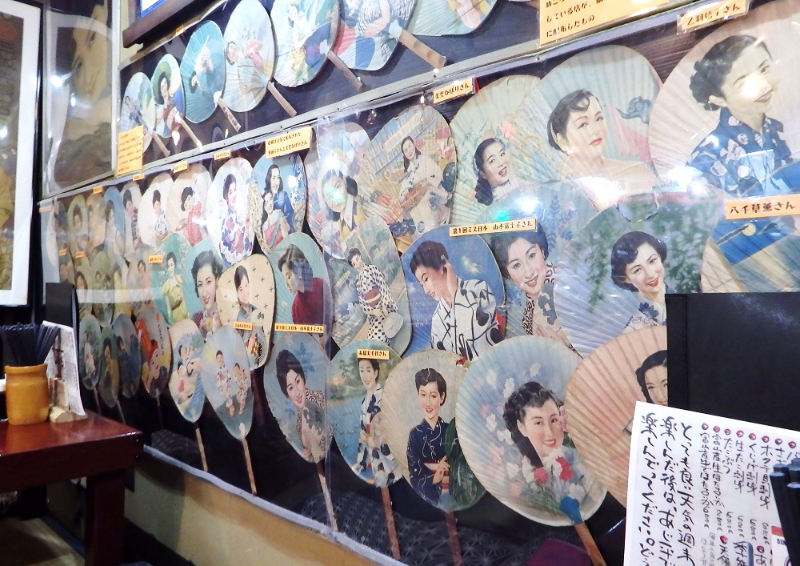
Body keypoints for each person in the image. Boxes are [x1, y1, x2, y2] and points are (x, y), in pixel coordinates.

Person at [688, 35, 794, 197]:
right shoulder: (707, 158)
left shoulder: (774, 129)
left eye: (764, 69)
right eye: (743, 84)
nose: (764, 86)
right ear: (719, 99)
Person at [547, 89, 659, 210]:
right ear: (563, 142)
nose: (596, 129)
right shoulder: (559, 193)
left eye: (599, 118)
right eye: (583, 124)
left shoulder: (638, 171)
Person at [410, 240, 502, 360]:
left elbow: (479, 340)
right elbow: (441, 360)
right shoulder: (437, 319)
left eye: (426, 279)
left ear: (441, 267)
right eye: (421, 284)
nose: (426, 290)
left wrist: (455, 293)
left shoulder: (479, 289)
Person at [490, 226, 572, 347]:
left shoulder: (568, 285)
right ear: (508, 274)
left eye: (532, 255)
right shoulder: (527, 318)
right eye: (516, 265)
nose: (528, 272)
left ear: (542, 251)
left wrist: (567, 352)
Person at [503, 381, 589, 491]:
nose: (549, 432)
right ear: (522, 427)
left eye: (554, 420)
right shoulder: (529, 482)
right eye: (538, 423)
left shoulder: (583, 460)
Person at [610, 231, 669, 333]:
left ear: (659, 256)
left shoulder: (689, 296)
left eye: (652, 261)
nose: (650, 274)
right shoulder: (634, 330)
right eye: (637, 270)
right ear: (625, 278)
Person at [407, 368, 450, 505]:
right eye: (423, 395)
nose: (428, 402)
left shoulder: (451, 431)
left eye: (433, 396)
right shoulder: (415, 435)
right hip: (426, 498)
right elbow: (414, 477)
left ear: (442, 397)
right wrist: (435, 477)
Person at [352, 358, 398, 486]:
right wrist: (361, 463)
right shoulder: (364, 403)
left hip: (390, 458)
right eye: (362, 371)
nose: (365, 376)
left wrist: (378, 439)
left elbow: (394, 429)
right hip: (375, 460)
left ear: (376, 372)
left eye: (368, 370)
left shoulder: (385, 397)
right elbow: (364, 435)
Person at [276, 349, 327, 461]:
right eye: (290, 388)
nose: (297, 393)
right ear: (286, 394)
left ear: (303, 379)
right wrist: (308, 453)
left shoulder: (321, 399)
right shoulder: (298, 426)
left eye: (298, 381)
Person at [348, 248, 399, 344]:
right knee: (370, 338)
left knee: (380, 336)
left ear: (360, 256)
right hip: (375, 314)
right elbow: (362, 303)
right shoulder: (358, 282)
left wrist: (384, 306)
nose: (358, 264)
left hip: (385, 307)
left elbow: (383, 287)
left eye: (357, 259)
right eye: (354, 264)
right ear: (353, 267)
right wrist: (372, 311)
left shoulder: (372, 269)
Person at [278, 245, 329, 327]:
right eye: (285, 278)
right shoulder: (295, 310)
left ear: (299, 271)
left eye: (288, 277)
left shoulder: (320, 284)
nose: (286, 284)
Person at [319, 169, 364, 243]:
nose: (336, 197)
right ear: (326, 201)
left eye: (337, 187)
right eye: (330, 196)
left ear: (344, 181)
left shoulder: (362, 202)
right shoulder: (341, 225)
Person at [233, 265, 265, 361]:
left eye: (246, 285)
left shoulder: (256, 310)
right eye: (240, 289)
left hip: (261, 355)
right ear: (237, 292)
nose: (245, 292)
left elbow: (262, 336)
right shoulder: (239, 318)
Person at [219, 174, 251, 264]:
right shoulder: (227, 220)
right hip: (237, 261)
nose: (234, 195)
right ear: (226, 196)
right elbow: (224, 250)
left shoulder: (240, 211)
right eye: (230, 192)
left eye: (235, 190)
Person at [191, 250, 224, 337]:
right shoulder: (196, 320)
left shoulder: (228, 311)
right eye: (200, 284)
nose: (204, 293)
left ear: (217, 280)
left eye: (208, 282)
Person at [473, 138, 513, 206]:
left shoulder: (522, 184)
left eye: (502, 154)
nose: (501, 162)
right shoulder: (492, 206)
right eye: (492, 161)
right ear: (483, 173)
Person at [154, 69, 184, 139]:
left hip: (183, 124)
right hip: (175, 132)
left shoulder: (174, 96)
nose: (164, 88)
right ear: (160, 91)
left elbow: (178, 82)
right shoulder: (162, 111)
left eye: (165, 84)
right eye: (162, 87)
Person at [162, 252, 188, 323]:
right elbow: (168, 306)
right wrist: (170, 319)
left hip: (184, 309)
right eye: (168, 266)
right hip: (176, 315)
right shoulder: (166, 286)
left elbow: (185, 296)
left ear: (175, 265)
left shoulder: (179, 278)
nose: (170, 269)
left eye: (171, 265)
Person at [214, 350, 235, 416]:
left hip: (227, 383)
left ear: (223, 358)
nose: (220, 359)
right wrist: (221, 386)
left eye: (221, 357)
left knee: (228, 394)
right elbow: (217, 380)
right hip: (222, 386)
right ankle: (230, 406)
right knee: (226, 394)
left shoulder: (226, 367)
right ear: (216, 360)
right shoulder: (217, 370)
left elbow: (229, 375)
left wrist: (229, 381)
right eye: (218, 358)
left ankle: (230, 405)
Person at [123, 189, 142, 255]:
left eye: (130, 205)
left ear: (133, 203)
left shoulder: (140, 214)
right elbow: (135, 244)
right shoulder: (132, 224)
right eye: (127, 209)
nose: (130, 210)